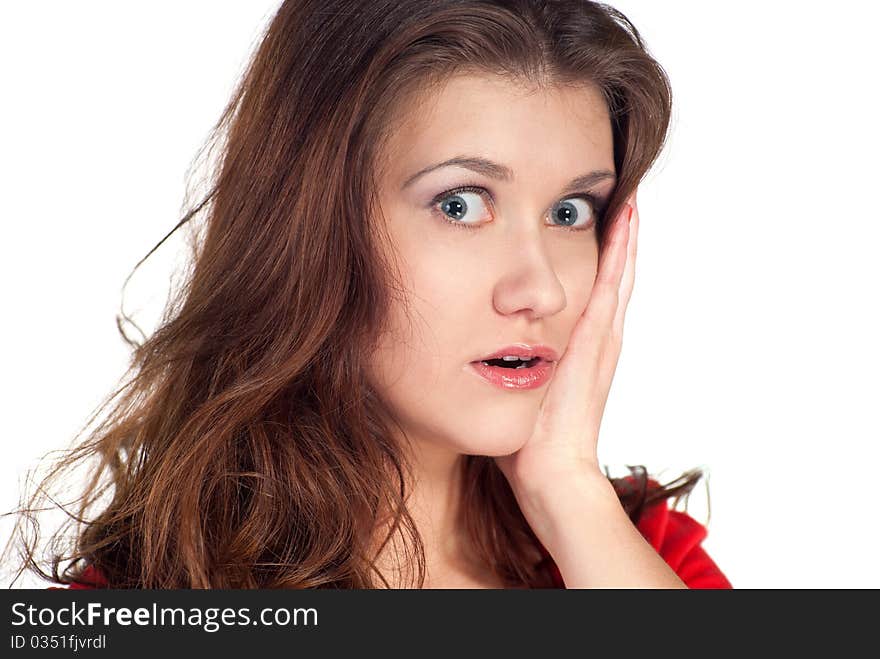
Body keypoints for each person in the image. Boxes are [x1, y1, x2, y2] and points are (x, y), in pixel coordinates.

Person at [9, 0, 731, 589]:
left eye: (571, 211)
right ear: (314, 225)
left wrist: (568, 493)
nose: (539, 288)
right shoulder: (162, 594)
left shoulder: (637, 552)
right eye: (460, 205)